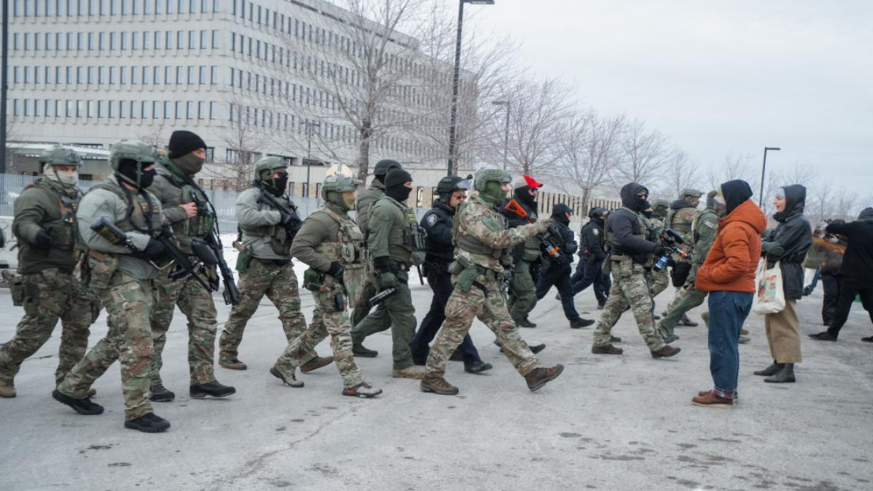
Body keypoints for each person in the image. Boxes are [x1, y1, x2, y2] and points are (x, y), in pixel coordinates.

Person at [53, 140, 172, 433]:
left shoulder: (147, 197)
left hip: (144, 275)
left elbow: (159, 229)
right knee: (138, 340)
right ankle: (137, 411)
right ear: (129, 166)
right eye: (147, 167)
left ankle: (72, 387)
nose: (152, 172)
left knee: (120, 337)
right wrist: (144, 243)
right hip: (117, 275)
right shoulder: (102, 196)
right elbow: (92, 235)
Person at [420, 169, 564, 395]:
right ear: (489, 186)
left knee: (506, 327)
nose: (507, 189)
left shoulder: (489, 211)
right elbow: (497, 239)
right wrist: (535, 227)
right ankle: (431, 377)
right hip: (472, 281)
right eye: (503, 185)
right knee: (453, 330)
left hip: (487, 280)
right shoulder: (475, 211)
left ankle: (532, 372)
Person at [270, 175, 381, 398]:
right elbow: (299, 248)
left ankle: (284, 364)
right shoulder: (321, 219)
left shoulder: (344, 219)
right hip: (328, 286)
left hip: (341, 284)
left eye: (353, 192)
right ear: (333, 195)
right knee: (341, 334)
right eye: (348, 193)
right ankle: (353, 382)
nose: (353, 197)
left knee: (319, 329)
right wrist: (331, 267)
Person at [219, 157, 329, 379]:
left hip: (282, 264)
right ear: (265, 175)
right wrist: (279, 216)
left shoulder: (283, 198)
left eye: (285, 174)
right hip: (257, 264)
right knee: (242, 311)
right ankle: (227, 353)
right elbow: (245, 217)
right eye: (279, 174)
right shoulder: (251, 195)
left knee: (292, 313)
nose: (284, 178)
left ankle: (304, 356)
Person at [0, 146, 96, 399]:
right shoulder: (36, 195)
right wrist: (37, 234)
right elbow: (23, 223)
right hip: (42, 272)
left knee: (78, 329)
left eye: (73, 168)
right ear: (48, 168)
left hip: (73, 273)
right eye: (64, 168)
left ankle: (69, 382)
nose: (70, 173)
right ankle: (3, 369)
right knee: (36, 332)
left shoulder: (76, 196)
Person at [147, 130, 235, 402]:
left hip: (193, 264)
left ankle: (203, 380)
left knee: (205, 320)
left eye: (204, 152)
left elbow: (203, 225)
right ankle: (149, 382)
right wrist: (178, 212)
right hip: (166, 264)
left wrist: (214, 261)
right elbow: (139, 217)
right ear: (183, 153)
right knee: (156, 325)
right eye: (198, 152)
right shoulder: (157, 181)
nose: (202, 158)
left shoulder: (189, 183)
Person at [691, 180, 766, 408]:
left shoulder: (736, 227)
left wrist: (710, 274)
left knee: (721, 344)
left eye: (722, 196)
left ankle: (723, 393)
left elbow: (738, 264)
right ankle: (725, 387)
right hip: (739, 292)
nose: (717, 200)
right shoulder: (745, 223)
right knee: (729, 342)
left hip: (728, 293)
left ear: (733, 198)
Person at [409, 176, 492, 374]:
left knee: (437, 313)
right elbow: (446, 237)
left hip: (454, 271)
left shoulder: (457, 215)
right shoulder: (434, 217)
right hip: (440, 272)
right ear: (446, 197)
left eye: (464, 197)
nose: (462, 200)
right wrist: (471, 231)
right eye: (458, 197)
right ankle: (471, 359)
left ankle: (417, 350)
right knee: (458, 315)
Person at [350, 169, 427, 379]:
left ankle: (346, 341)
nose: (411, 188)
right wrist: (385, 271)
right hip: (390, 270)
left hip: (399, 269)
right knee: (404, 317)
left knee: (384, 318)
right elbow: (377, 242)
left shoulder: (399, 207)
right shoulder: (384, 208)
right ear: (396, 186)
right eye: (408, 184)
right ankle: (402, 364)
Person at [590, 183, 680, 359]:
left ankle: (600, 341)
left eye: (645, 195)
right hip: (627, 266)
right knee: (643, 305)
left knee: (614, 306)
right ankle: (656, 346)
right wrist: (653, 248)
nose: (643, 199)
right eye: (640, 196)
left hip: (631, 265)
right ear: (630, 196)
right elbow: (625, 238)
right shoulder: (622, 215)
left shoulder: (633, 215)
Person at [754, 185, 812, 384]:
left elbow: (777, 248)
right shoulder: (786, 221)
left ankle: (788, 369)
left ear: (792, 200)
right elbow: (769, 243)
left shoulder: (799, 222)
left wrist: (759, 244)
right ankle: (778, 362)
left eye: (779, 198)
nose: (775, 201)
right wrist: (764, 243)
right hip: (775, 273)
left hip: (786, 274)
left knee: (785, 323)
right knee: (772, 321)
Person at [349, 159, 403, 351]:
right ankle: (352, 340)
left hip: (385, 254)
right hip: (375, 256)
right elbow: (367, 227)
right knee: (367, 301)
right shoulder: (371, 196)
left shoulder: (389, 195)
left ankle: (353, 340)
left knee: (368, 299)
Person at [658, 191, 719, 340]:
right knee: (688, 286)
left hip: (678, 251)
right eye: (696, 198)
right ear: (687, 198)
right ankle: (671, 312)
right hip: (685, 252)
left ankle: (677, 315)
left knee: (685, 285)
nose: (698, 201)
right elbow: (704, 218)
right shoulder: (688, 211)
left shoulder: (674, 209)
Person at [810, 208, 873, 342]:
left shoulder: (857, 226)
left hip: (853, 274)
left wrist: (825, 224)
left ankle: (832, 333)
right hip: (870, 275)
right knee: (870, 305)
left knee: (844, 304)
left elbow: (833, 228)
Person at [534, 203, 594, 328]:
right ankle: (518, 315)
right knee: (538, 293)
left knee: (567, 293)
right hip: (553, 267)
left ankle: (574, 320)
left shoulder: (561, 226)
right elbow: (551, 247)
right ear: (561, 214)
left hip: (563, 266)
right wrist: (569, 249)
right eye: (568, 213)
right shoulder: (553, 227)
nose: (570, 216)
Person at [500, 175, 543, 328]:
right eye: (532, 190)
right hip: (517, 257)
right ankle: (509, 331)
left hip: (531, 257)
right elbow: (500, 224)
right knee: (528, 296)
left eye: (536, 190)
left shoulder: (529, 207)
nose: (535, 193)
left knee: (516, 296)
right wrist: (520, 224)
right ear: (523, 190)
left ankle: (507, 332)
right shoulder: (509, 205)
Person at [570, 207, 609, 309]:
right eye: (603, 216)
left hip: (597, 258)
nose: (605, 218)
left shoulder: (600, 227)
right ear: (597, 216)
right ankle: (568, 293)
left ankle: (602, 301)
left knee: (599, 280)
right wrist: (604, 257)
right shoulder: (592, 228)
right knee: (587, 280)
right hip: (592, 258)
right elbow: (594, 246)